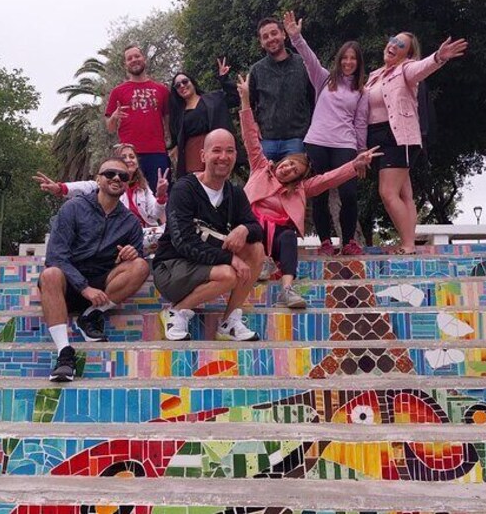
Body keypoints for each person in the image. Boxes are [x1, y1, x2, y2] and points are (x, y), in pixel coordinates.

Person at [237, 74, 381, 309]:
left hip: (277, 236)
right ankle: (260, 260)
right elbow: (250, 138)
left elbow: (328, 179)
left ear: (296, 178)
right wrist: (245, 100)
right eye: (289, 163)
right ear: (283, 160)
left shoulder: (300, 189)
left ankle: (287, 290)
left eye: (294, 171)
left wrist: (355, 164)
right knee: (255, 225)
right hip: (249, 228)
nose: (287, 169)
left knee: (288, 237)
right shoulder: (261, 168)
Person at [37, 157, 150, 382]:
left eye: (123, 176)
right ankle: (64, 353)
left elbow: (136, 254)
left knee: (141, 266)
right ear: (98, 179)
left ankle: (91, 315)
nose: (116, 178)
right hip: (68, 284)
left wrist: (130, 254)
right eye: (110, 174)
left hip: (101, 287)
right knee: (50, 274)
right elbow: (55, 256)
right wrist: (84, 288)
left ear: (127, 182)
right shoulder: (73, 208)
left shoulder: (130, 222)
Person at [153, 128, 265, 342]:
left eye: (230, 151)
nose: (223, 157)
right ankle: (176, 312)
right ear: (203, 156)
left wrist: (244, 229)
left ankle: (229, 322)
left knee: (256, 249)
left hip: (207, 264)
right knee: (228, 274)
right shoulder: (184, 189)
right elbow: (183, 241)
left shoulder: (235, 193)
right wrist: (229, 258)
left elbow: (257, 229)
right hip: (172, 267)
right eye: (217, 150)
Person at [365, 32, 468, 254]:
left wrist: (439, 57)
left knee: (387, 192)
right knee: (405, 195)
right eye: (393, 40)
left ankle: (408, 244)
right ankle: (409, 242)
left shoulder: (407, 69)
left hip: (398, 137)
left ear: (408, 54)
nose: (394, 45)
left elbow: (422, 68)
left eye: (401, 45)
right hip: (376, 137)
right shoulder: (375, 75)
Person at [283, 11, 370, 256]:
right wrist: (296, 38)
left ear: (358, 63)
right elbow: (309, 59)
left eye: (353, 59)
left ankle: (349, 241)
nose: (348, 62)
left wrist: (362, 153)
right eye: (345, 58)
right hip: (317, 142)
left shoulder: (362, 92)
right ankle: (324, 242)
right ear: (339, 59)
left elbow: (360, 123)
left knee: (349, 194)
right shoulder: (324, 79)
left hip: (345, 145)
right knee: (318, 194)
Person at [34, 143, 169, 252]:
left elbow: (155, 213)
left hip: (143, 233)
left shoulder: (143, 188)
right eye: (123, 157)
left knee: (169, 231)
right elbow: (84, 186)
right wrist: (59, 188)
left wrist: (161, 196)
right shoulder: (105, 184)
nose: (128, 160)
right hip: (118, 233)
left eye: (132, 157)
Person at [105, 45, 171, 192]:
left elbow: (168, 121)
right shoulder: (117, 92)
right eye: (129, 58)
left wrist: (174, 145)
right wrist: (114, 117)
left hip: (157, 152)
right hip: (128, 155)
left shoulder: (162, 90)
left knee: (161, 195)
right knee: (129, 196)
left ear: (144, 59)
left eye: (137, 56)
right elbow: (110, 127)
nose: (134, 60)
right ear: (125, 64)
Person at [248, 17, 314, 162]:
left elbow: (315, 98)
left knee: (295, 177)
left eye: (274, 33)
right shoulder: (256, 70)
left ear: (283, 34)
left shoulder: (303, 64)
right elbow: (248, 102)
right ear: (261, 43)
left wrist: (311, 129)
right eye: (265, 36)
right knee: (263, 177)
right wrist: (253, 123)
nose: (271, 39)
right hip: (266, 140)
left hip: (297, 139)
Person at [168, 58, 241, 177]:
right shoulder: (178, 114)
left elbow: (235, 98)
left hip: (216, 149)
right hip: (192, 154)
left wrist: (224, 79)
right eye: (177, 85)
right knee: (197, 184)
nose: (182, 86)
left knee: (217, 181)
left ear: (192, 82)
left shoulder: (214, 99)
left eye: (185, 81)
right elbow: (176, 139)